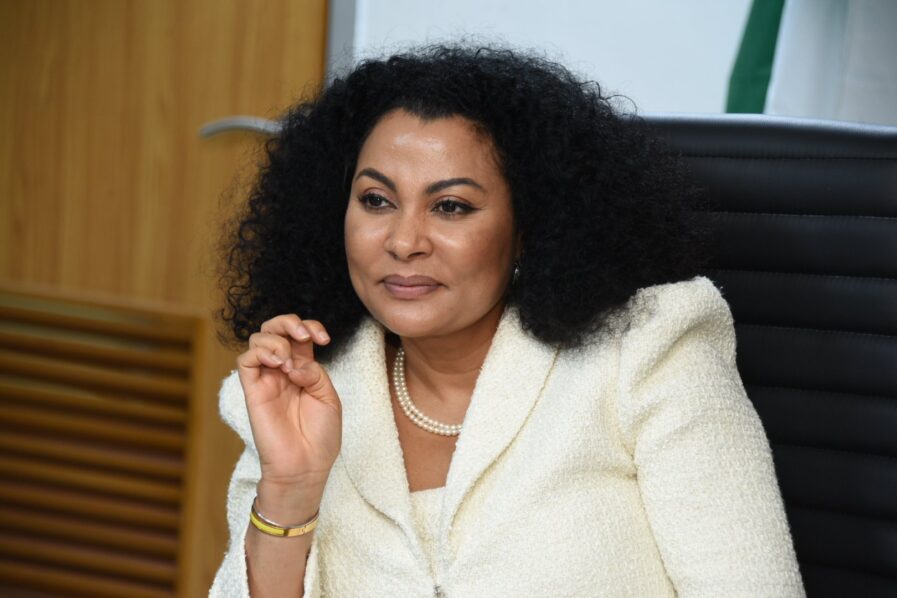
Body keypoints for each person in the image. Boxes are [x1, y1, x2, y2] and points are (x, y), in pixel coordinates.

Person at [210, 44, 805, 597]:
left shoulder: (647, 353)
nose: (403, 241)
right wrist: (290, 491)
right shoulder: (301, 391)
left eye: (451, 206)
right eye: (376, 200)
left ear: (526, 230)